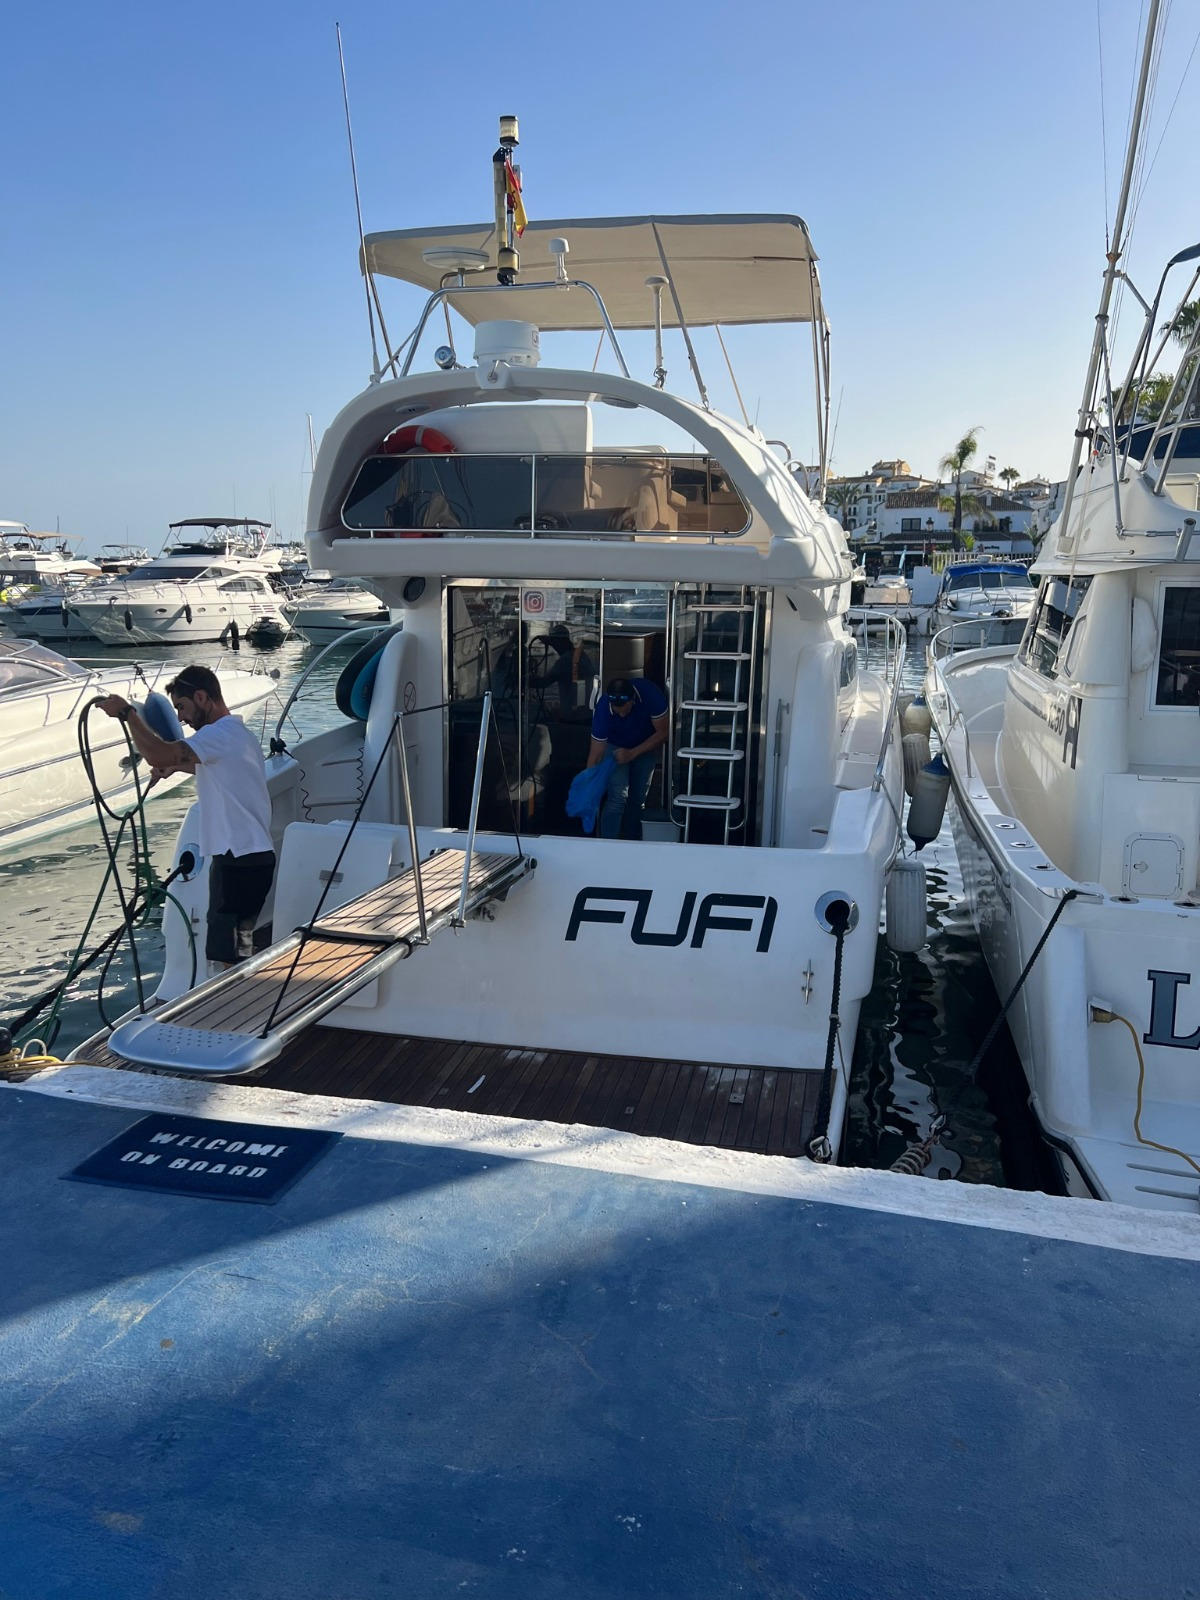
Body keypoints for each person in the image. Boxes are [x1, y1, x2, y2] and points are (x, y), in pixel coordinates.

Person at [97, 665, 275, 967]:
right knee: (238, 946)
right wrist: (178, 766)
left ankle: (236, 1009)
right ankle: (244, 999)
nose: (180, 717)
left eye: (182, 706)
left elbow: (159, 753)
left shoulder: (218, 734)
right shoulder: (236, 733)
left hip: (239, 861)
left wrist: (127, 713)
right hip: (252, 859)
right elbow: (223, 769)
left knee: (227, 954)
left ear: (202, 697)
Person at [586, 675, 669, 840]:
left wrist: (633, 753)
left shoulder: (650, 695)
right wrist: (589, 785)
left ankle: (633, 841)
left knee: (638, 799)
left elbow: (664, 733)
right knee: (617, 798)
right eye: (617, 712)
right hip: (614, 745)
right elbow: (596, 753)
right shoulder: (603, 708)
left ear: (633, 700)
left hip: (646, 742)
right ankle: (607, 845)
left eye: (626, 710)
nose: (622, 715)